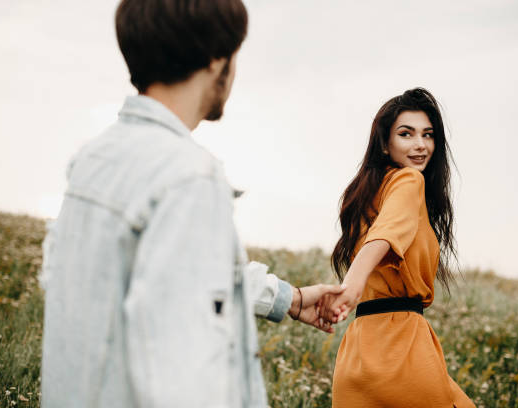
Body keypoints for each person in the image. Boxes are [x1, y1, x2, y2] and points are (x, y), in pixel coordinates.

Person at [39, 1, 345, 407]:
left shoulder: (94, 161)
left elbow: (177, 279)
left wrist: (292, 299)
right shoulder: (188, 179)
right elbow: (183, 374)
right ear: (219, 60)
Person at [321, 88, 476, 407]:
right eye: (406, 134)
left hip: (357, 352)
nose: (420, 144)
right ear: (384, 142)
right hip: (402, 346)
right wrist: (350, 286)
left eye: (428, 135)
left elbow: (380, 233)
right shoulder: (409, 182)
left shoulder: (364, 195)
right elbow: (385, 235)